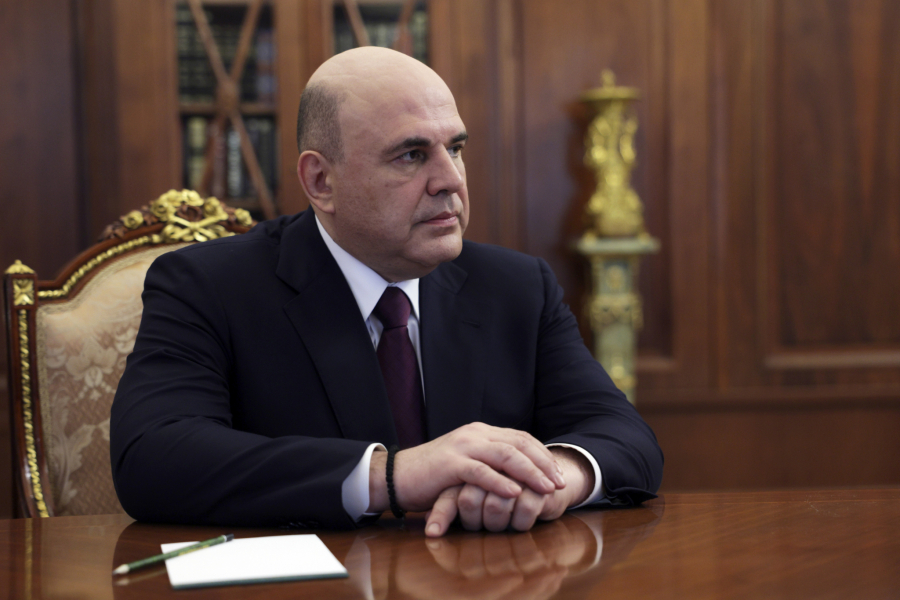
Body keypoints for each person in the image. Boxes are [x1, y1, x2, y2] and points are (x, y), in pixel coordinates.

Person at [110, 47, 662, 537]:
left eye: (456, 148)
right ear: (321, 181)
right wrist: (393, 475)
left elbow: (625, 436)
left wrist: (551, 478)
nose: (451, 181)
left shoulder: (516, 287)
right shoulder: (208, 285)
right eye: (412, 155)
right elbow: (152, 458)